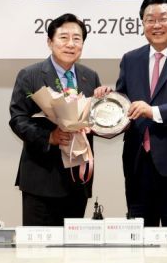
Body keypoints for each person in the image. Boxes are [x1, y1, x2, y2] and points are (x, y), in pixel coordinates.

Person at [97, 0, 167, 227]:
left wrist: (153, 111)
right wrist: (107, 100)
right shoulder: (131, 59)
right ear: (143, 24)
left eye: (163, 18)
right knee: (138, 236)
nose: (156, 25)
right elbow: (125, 104)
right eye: (150, 20)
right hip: (138, 164)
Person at [9, 13, 102, 226]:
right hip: (41, 178)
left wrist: (104, 111)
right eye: (64, 37)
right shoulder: (30, 75)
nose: (71, 44)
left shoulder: (90, 76)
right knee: (39, 244)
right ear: (50, 42)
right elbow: (18, 118)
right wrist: (49, 137)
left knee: (72, 244)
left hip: (77, 180)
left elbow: (93, 120)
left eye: (77, 38)